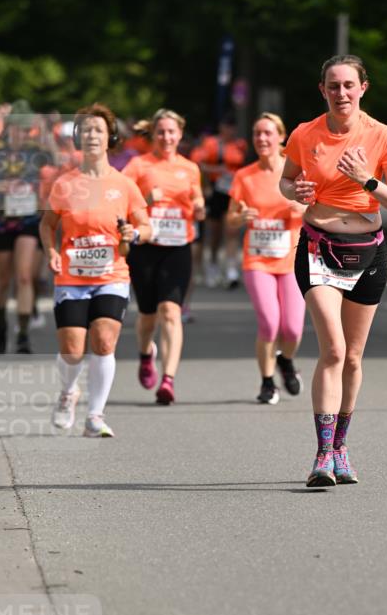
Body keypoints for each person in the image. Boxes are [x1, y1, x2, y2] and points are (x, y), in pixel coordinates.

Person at [280, 55, 387, 487]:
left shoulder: (381, 136)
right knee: (333, 350)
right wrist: (295, 189)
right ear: (322, 90)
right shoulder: (304, 134)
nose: (341, 93)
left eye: (349, 85)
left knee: (353, 358)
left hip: (368, 253)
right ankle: (321, 455)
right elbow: (287, 180)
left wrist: (366, 180)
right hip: (319, 248)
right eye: (333, 86)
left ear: (363, 88)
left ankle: (340, 446)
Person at [39, 103, 151, 437]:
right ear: (78, 137)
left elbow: (145, 225)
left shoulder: (125, 184)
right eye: (86, 130)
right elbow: (47, 225)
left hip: (111, 275)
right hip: (71, 276)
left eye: (98, 130)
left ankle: (95, 415)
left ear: (110, 138)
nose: (91, 135)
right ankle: (68, 393)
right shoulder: (64, 184)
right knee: (72, 350)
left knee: (103, 342)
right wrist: (49, 251)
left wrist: (135, 233)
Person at [123, 109, 204, 404]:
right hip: (145, 246)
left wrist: (200, 208)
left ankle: (168, 379)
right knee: (147, 315)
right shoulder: (138, 165)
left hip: (178, 246)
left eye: (172, 132)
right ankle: (146, 354)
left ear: (180, 134)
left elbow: (198, 201)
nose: (166, 137)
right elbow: (121, 203)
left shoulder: (190, 168)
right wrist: (145, 201)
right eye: (161, 132)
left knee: (170, 311)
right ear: (153, 134)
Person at [227, 113, 306, 404]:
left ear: (281, 137)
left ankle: (286, 360)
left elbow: (316, 208)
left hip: (292, 259)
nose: (262, 139)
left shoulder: (297, 172)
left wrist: (302, 210)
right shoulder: (244, 176)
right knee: (270, 324)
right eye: (257, 133)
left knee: (293, 328)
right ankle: (267, 382)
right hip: (258, 260)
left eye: (268, 133)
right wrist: (240, 216)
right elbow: (231, 220)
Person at [0, 100, 55, 353]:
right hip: (0, 219)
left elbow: (56, 159)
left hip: (28, 217)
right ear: (9, 128)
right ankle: (1, 320)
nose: (21, 134)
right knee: (3, 279)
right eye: (17, 128)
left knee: (24, 276)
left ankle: (22, 333)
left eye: (26, 129)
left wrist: (44, 128)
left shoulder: (36, 150)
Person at [190, 112, 247, 288]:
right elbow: (199, 166)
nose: (230, 130)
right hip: (215, 191)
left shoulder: (240, 145)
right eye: (227, 126)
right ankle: (213, 264)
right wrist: (218, 170)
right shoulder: (212, 144)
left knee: (231, 230)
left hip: (232, 191)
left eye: (232, 126)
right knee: (215, 234)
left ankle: (231, 269)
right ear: (221, 127)